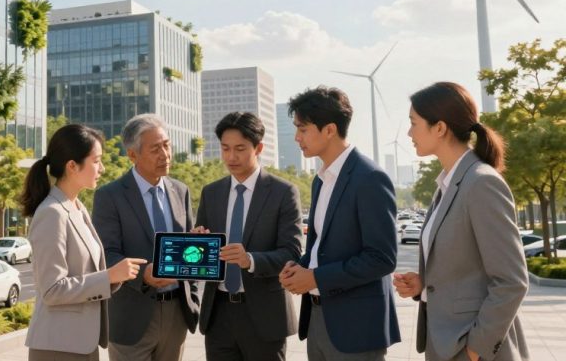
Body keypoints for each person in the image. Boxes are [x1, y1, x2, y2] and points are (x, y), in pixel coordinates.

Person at [393, 82, 528, 361]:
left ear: (439, 128)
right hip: (444, 343)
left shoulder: (481, 183)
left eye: (413, 123)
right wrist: (424, 284)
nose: (409, 133)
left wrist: (475, 349)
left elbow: (511, 281)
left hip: (471, 348)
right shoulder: (447, 184)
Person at [279, 86, 400, 360]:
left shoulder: (370, 178)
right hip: (318, 320)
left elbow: (382, 258)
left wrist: (315, 277)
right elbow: (322, 246)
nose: (297, 137)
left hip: (356, 329)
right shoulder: (321, 179)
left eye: (303, 128)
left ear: (330, 129)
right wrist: (300, 266)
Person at [21, 123, 145, 361]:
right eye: (96, 161)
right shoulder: (52, 213)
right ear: (72, 166)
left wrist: (113, 277)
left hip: (81, 343)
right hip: (59, 346)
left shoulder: (77, 207)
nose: (103, 168)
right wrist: (108, 276)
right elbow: (51, 289)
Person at [193, 112, 302, 360]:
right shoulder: (211, 193)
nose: (231, 157)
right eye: (225, 148)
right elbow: (202, 254)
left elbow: (292, 252)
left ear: (259, 148)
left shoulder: (283, 192)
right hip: (218, 315)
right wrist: (197, 243)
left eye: (240, 149)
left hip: (264, 317)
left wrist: (250, 260)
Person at [92, 114, 200, 361]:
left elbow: (188, 248)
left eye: (167, 145)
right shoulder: (110, 197)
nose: (165, 154)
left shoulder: (180, 191)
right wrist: (144, 275)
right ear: (132, 155)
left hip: (176, 315)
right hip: (131, 317)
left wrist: (198, 247)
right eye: (155, 149)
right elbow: (106, 254)